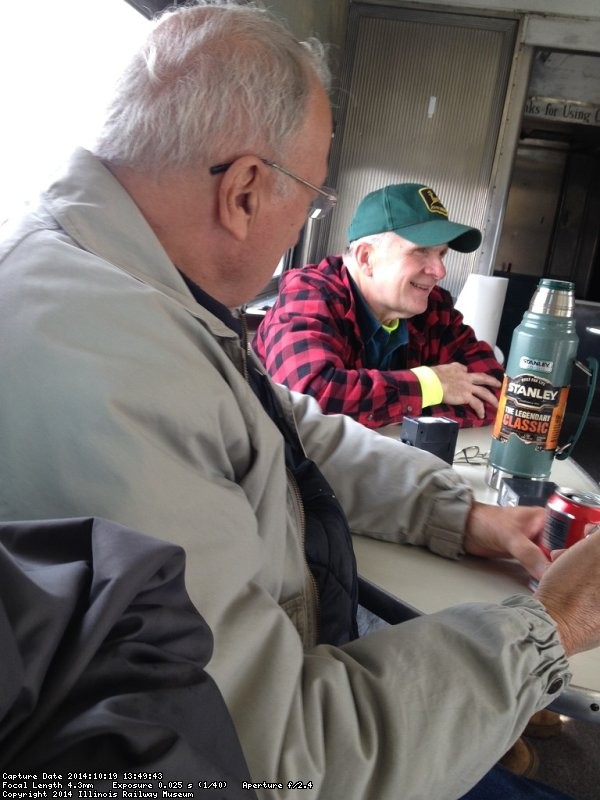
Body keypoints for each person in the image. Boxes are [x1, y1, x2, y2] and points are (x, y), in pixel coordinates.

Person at [0, 2, 598, 798]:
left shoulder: (134, 295)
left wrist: (461, 516)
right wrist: (552, 625)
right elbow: (277, 765)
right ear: (246, 190)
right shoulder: (104, 361)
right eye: (310, 197)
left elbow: (292, 426)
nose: (434, 273)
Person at [253, 182, 503, 429]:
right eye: (421, 251)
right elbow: (307, 399)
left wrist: (379, 408)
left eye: (441, 254)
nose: (440, 271)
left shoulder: (434, 309)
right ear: (366, 258)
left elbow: (493, 394)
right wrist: (431, 385)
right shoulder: (309, 296)